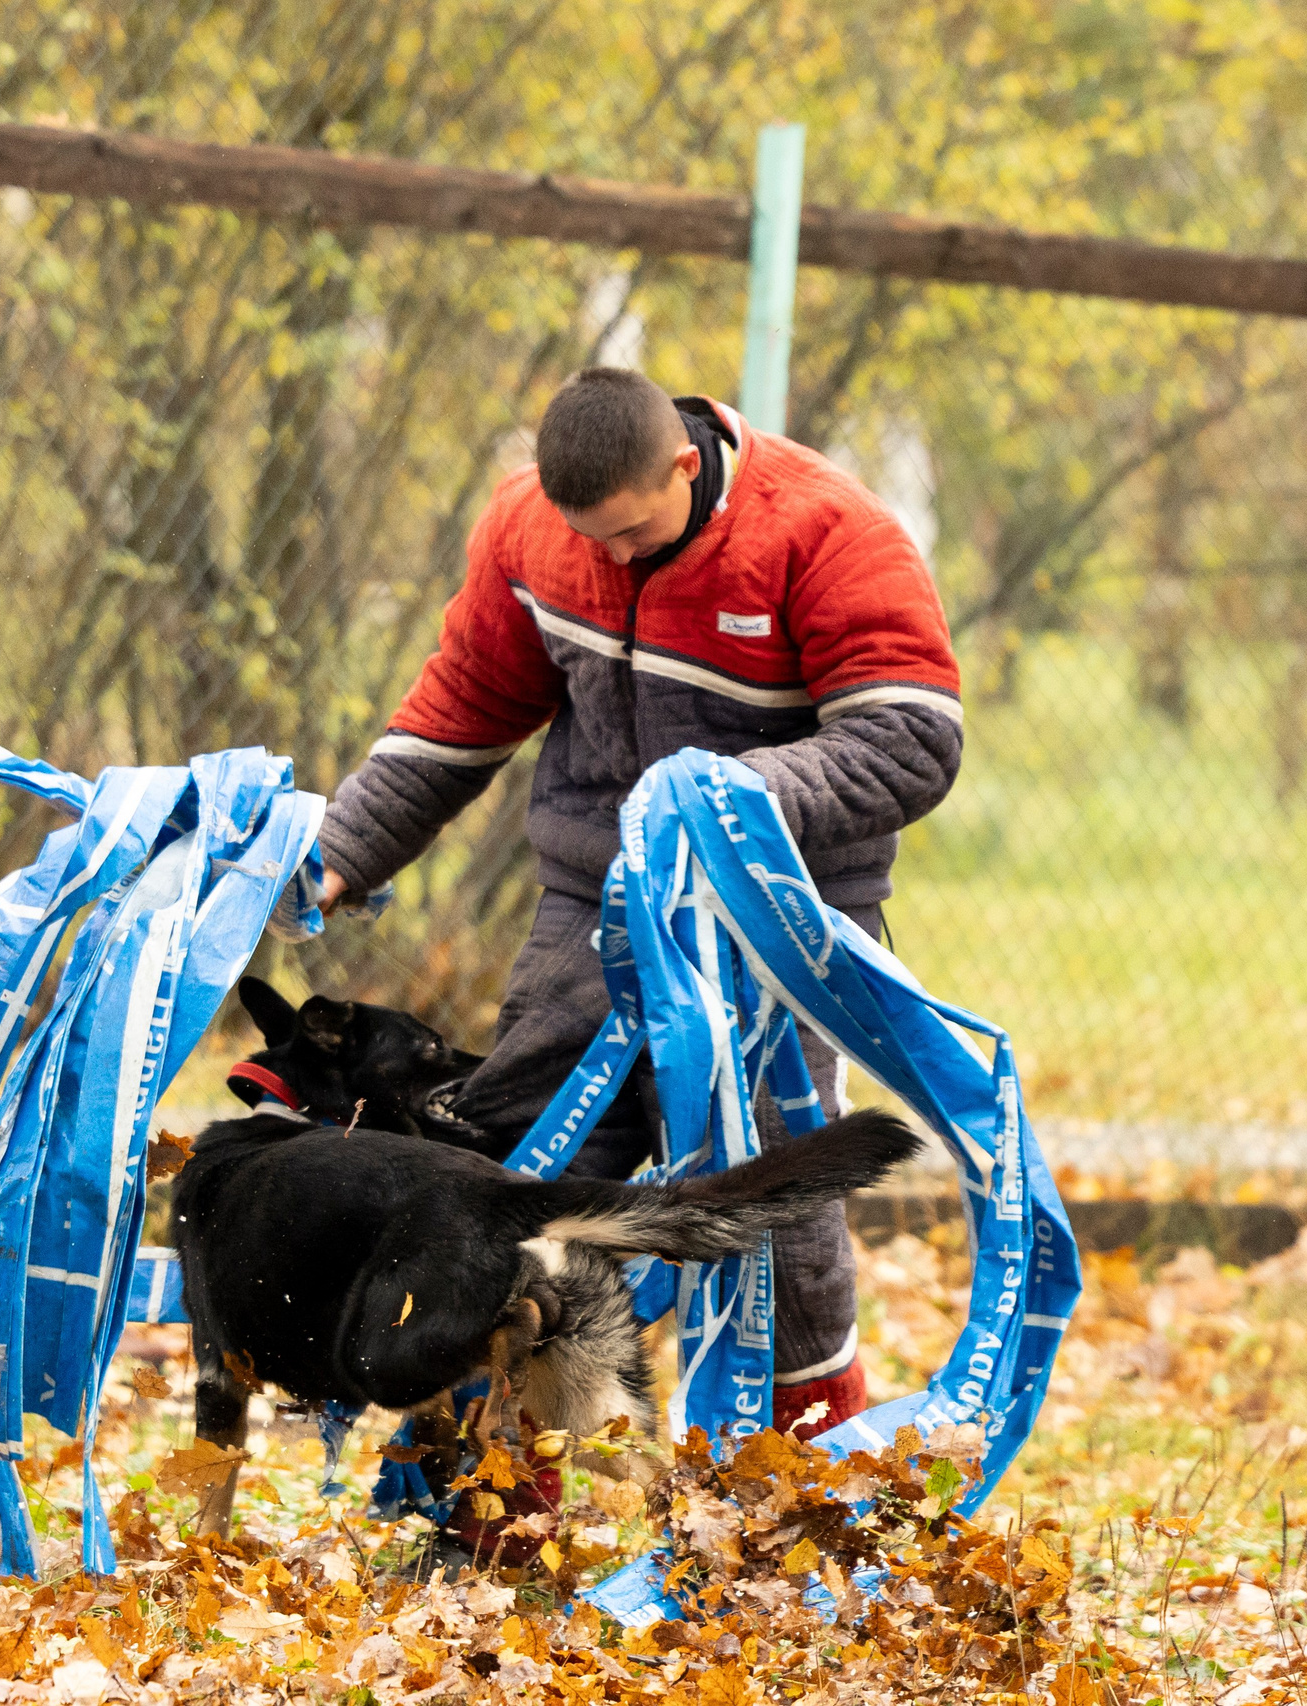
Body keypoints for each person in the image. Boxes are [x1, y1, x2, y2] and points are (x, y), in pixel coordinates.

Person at [312, 366, 963, 1446]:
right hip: (593, 906)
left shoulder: (827, 533)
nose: (610, 556)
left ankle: (799, 1473)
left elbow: (910, 740)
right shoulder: (531, 528)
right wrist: (341, 853)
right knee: (516, 1175)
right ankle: (492, 1495)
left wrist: (720, 807)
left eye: (629, 531)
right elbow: (465, 705)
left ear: (681, 463)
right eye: (589, 536)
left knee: (766, 1197)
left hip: (778, 917)